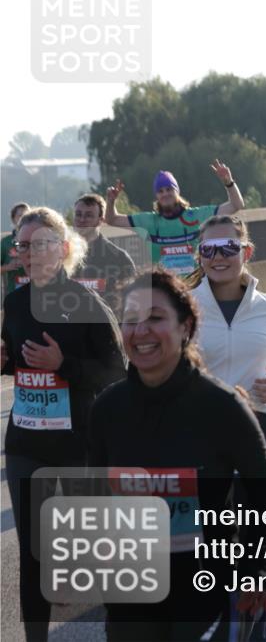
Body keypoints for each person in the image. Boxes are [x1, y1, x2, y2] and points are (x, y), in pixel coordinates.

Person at [88, 270, 266, 640]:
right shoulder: (107, 409)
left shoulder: (221, 405)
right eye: (131, 320)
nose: (140, 331)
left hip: (205, 587)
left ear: (185, 327)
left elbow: (262, 484)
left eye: (155, 318)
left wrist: (254, 568)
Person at [1, 206, 126, 641]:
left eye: (39, 244)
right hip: (26, 444)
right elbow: (16, 359)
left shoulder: (86, 303)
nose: (29, 253)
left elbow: (118, 372)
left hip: (79, 445)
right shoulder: (14, 303)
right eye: (22, 246)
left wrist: (64, 364)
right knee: (33, 553)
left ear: (62, 248)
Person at [190, 214, 266, 478]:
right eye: (208, 249)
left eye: (229, 247)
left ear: (247, 252)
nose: (218, 256)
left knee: (257, 505)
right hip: (200, 431)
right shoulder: (182, 307)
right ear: (200, 256)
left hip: (262, 425)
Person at [103, 161, 245, 276]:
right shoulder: (149, 221)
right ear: (156, 196)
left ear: (177, 191)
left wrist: (229, 182)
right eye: (160, 191)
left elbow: (236, 205)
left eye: (169, 189)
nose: (165, 194)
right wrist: (110, 201)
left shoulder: (197, 216)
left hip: (197, 287)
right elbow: (112, 220)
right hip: (166, 290)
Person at [72, 193, 136, 313]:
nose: (82, 220)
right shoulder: (60, 255)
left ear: (100, 220)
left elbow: (132, 301)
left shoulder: (119, 259)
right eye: (78, 214)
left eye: (89, 215)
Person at [1, 202, 30, 296]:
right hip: (13, 295)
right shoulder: (5, 242)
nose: (24, 218)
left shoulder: (37, 240)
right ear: (13, 219)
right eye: (20, 216)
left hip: (36, 295)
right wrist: (8, 267)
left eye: (27, 215)